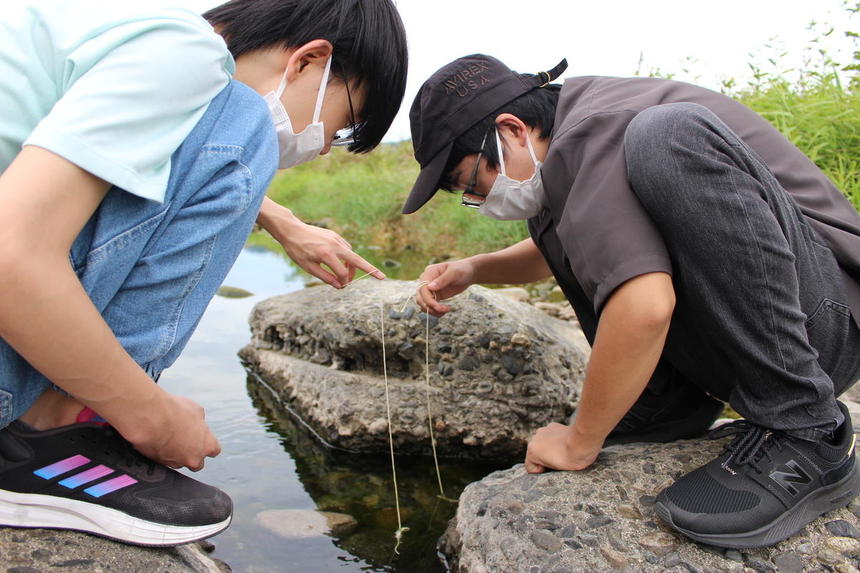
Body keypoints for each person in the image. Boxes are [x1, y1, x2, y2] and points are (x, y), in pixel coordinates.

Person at [405, 53, 860, 548]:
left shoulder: (598, 129)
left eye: (473, 183)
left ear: (512, 130)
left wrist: (582, 440)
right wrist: (475, 269)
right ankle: (669, 401)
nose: (479, 201)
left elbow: (644, 306)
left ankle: (808, 428)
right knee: (554, 213)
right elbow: (584, 240)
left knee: (668, 133)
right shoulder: (556, 152)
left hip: (822, 324)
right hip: (783, 322)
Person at [0, 0, 407, 546]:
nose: (325, 149)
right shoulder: (189, 54)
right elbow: (11, 252)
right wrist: (152, 416)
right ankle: (57, 429)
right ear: (310, 61)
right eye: (342, 127)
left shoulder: (121, 32)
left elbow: (114, 156)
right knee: (240, 119)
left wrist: (280, 218)